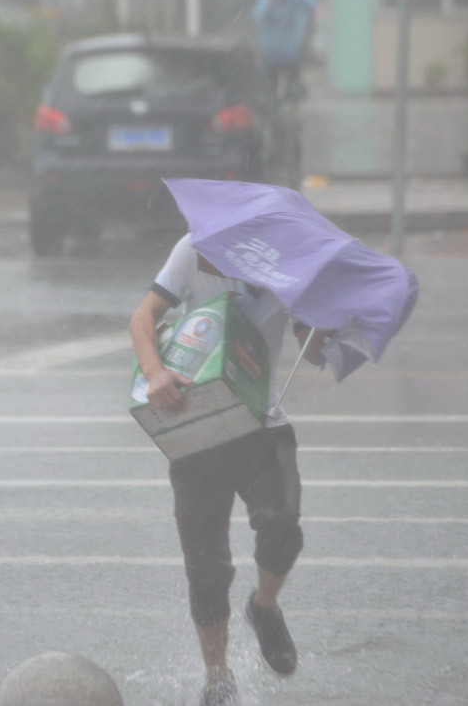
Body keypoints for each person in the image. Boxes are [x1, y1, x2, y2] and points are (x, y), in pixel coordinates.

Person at [129, 233, 326, 706]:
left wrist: (323, 324)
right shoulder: (192, 247)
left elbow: (313, 353)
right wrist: (156, 373)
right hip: (198, 422)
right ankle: (217, 676)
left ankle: (263, 608)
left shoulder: (291, 266)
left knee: (281, 522)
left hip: (263, 421)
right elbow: (143, 318)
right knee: (206, 567)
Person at [251, 0, 317, 101]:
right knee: (270, 88)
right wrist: (270, 0)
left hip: (292, 51)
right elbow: (258, 16)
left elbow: (313, 6)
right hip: (271, 51)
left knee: (294, 88)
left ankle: (293, 110)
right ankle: (272, 110)